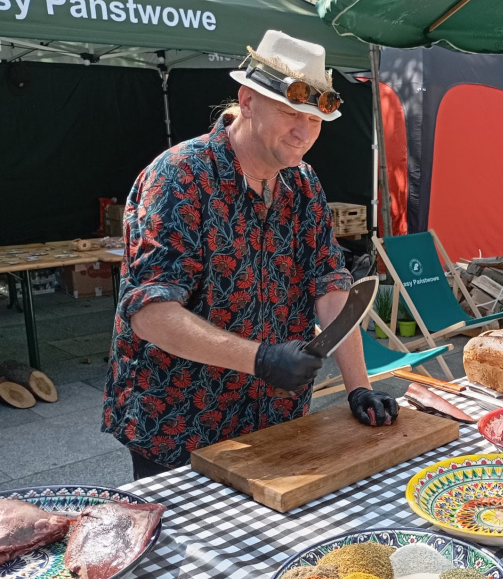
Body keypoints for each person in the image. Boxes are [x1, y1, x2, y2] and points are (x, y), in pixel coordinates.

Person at [102, 31, 398, 480]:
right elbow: (150, 313)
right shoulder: (179, 177)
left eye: (314, 120)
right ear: (248, 99)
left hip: (276, 418)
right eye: (288, 112)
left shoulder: (303, 183)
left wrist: (359, 389)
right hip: (180, 424)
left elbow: (330, 284)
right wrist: (261, 359)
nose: (303, 132)